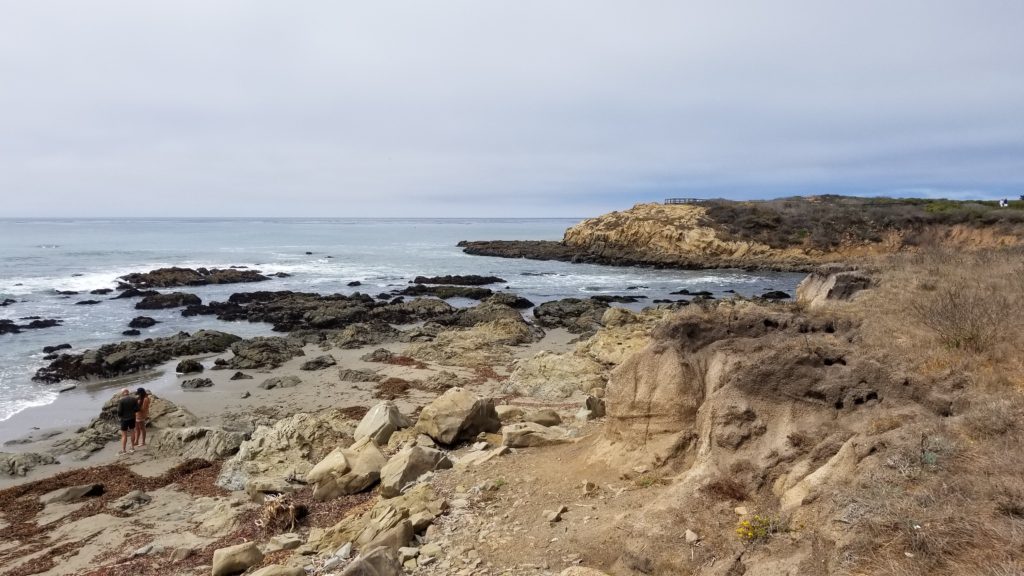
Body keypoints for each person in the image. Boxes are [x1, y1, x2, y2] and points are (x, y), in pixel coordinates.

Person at [116, 388, 139, 454]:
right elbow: (137, 409)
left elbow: (119, 411)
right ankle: (132, 447)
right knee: (132, 431)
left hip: (124, 419)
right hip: (132, 418)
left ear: (122, 393)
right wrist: (132, 412)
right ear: (128, 392)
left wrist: (120, 416)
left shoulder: (121, 400)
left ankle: (124, 450)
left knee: (124, 435)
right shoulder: (134, 399)